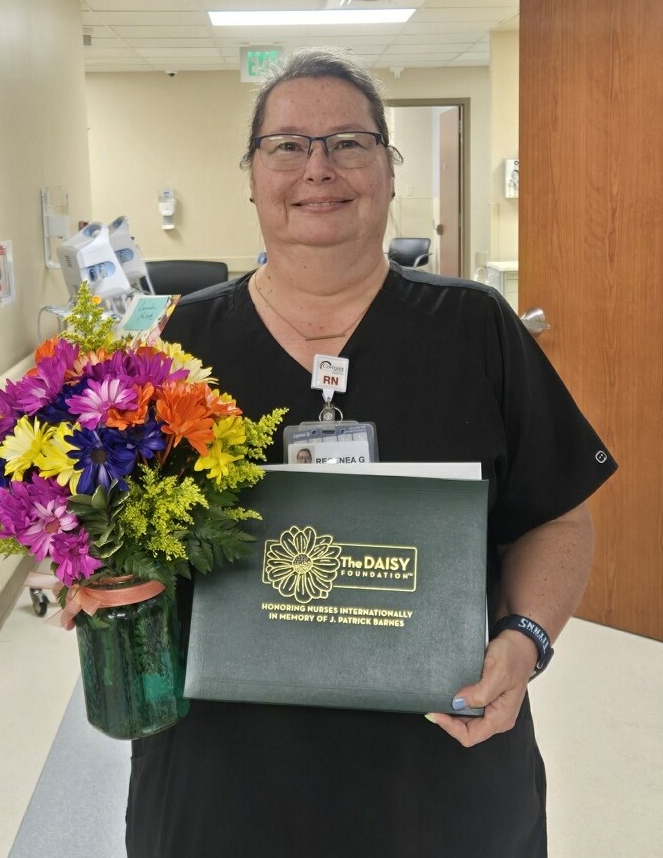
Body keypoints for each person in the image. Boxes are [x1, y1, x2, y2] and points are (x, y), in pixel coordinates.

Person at [126, 48, 616, 857]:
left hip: (438, 761)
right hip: (227, 772)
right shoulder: (182, 344)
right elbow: (125, 537)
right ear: (252, 175)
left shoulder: (475, 329)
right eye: (287, 145)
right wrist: (104, 585)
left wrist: (524, 640)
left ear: (388, 170)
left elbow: (558, 517)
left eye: (349, 141)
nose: (318, 167)